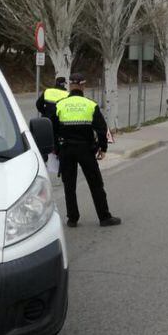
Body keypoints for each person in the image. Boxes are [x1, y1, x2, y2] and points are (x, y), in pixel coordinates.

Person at [53, 73, 122, 228]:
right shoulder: (90, 105)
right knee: (95, 184)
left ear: (70, 86)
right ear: (83, 86)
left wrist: (57, 149)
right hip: (85, 150)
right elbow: (101, 129)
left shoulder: (60, 104)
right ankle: (104, 217)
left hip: (66, 149)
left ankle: (72, 219)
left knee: (69, 185)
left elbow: (53, 129)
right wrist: (102, 148)